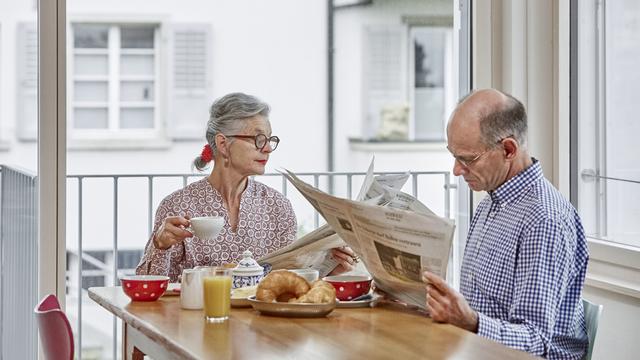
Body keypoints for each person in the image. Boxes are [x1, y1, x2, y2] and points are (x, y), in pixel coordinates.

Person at [422, 89, 589, 359]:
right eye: (453, 156)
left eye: (467, 158)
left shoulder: (544, 220)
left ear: (508, 149)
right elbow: (480, 305)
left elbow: (536, 342)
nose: (456, 170)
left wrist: (471, 322)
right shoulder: (492, 200)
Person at [136, 92, 356, 282]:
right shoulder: (177, 205)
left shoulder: (277, 206)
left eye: (270, 140)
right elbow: (150, 286)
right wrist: (160, 244)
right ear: (223, 144)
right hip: (197, 320)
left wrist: (327, 270)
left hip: (262, 323)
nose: (268, 148)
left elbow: (286, 282)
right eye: (259, 139)